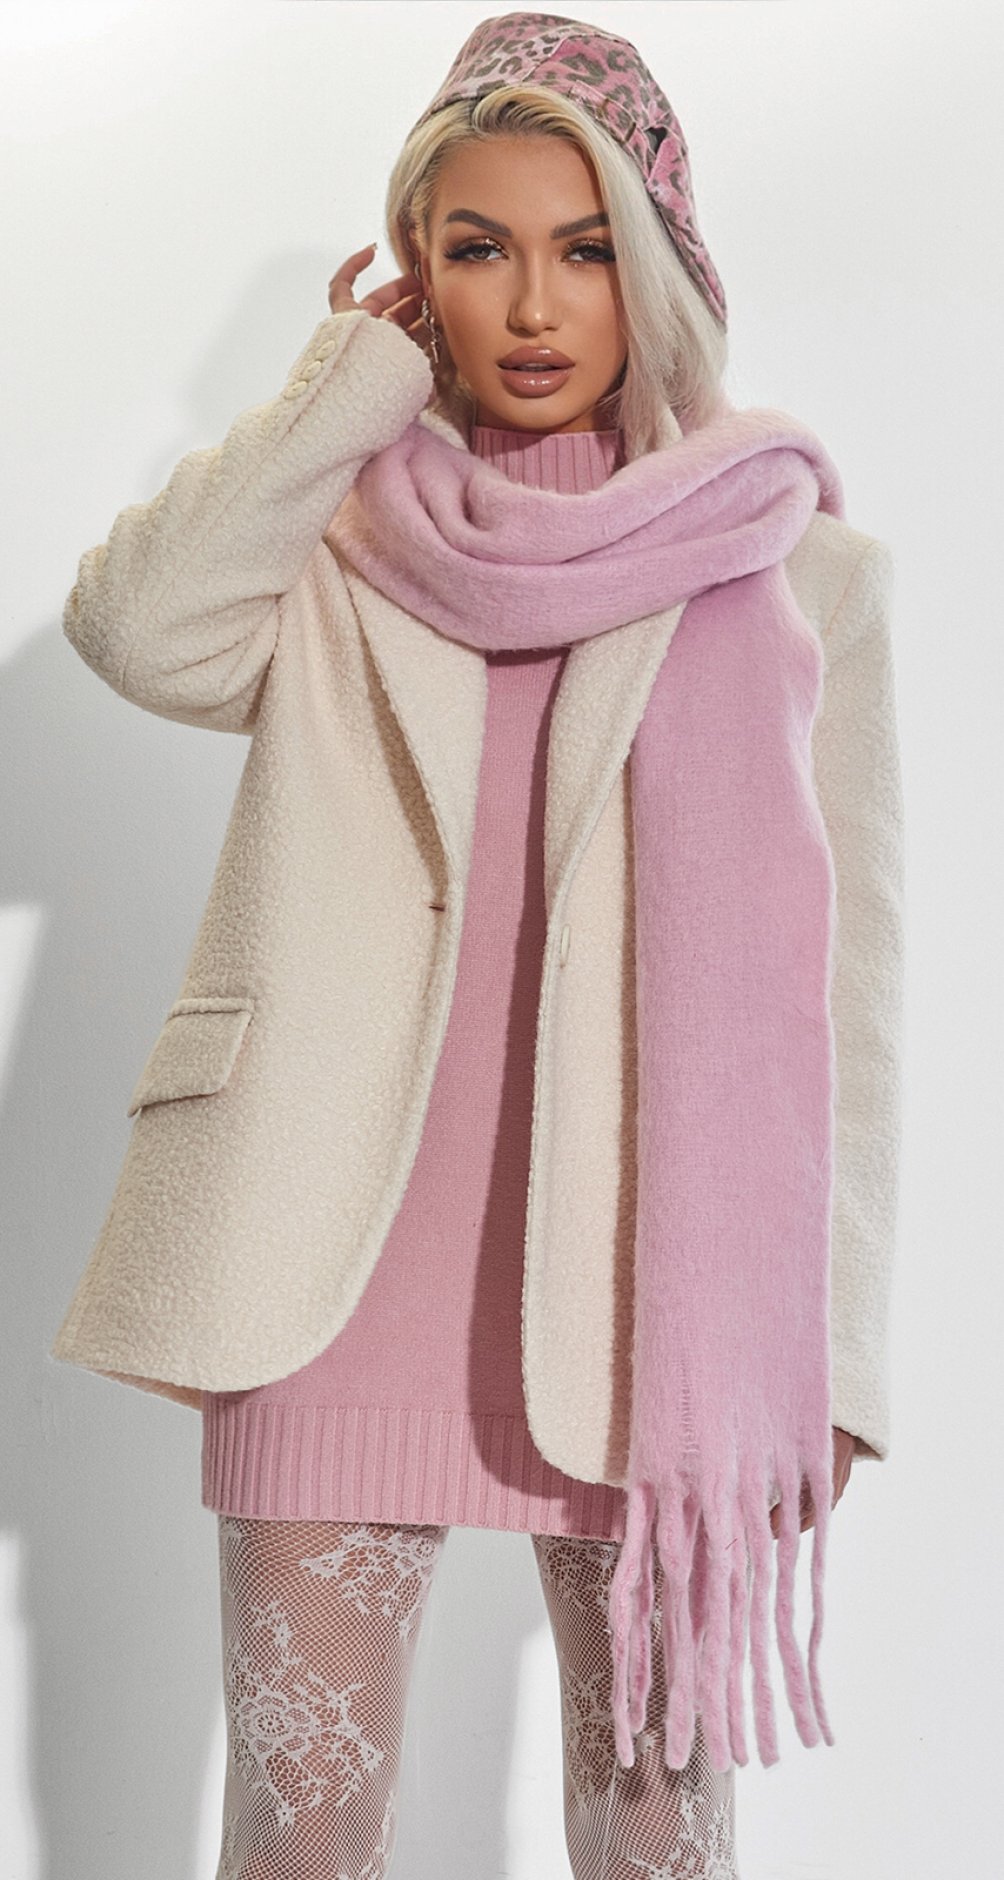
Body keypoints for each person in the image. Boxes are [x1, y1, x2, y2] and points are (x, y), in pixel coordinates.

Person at [49, 12, 905, 1878]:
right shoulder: (338, 531)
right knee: (302, 1834)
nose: (530, 303)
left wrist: (831, 1358)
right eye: (477, 247)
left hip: (653, 1299)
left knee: (659, 1836)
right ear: (417, 270)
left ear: (654, 261)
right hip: (325, 1270)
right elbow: (138, 630)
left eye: (583, 247)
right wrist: (342, 389)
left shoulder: (795, 569)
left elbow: (855, 1009)